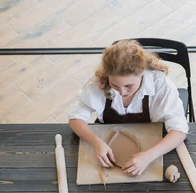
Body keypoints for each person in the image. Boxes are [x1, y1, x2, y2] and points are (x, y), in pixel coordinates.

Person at [69, 40, 188, 176]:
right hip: (107, 139)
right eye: (114, 85)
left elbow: (179, 130)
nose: (122, 92)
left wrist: (149, 156)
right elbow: (75, 118)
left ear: (142, 72)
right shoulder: (99, 82)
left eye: (129, 86)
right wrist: (96, 142)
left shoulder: (160, 84)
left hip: (152, 142)